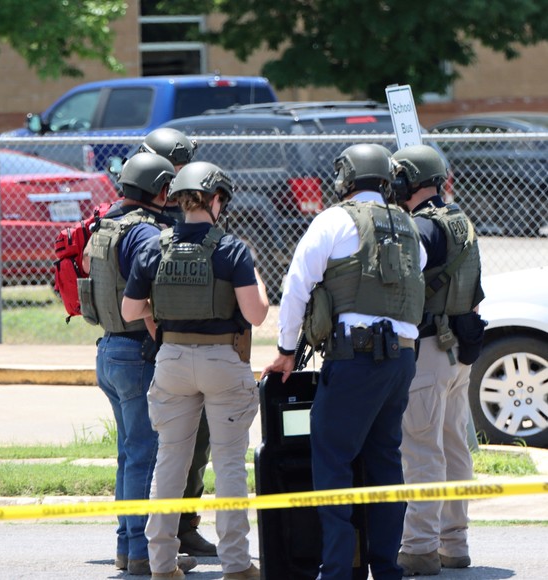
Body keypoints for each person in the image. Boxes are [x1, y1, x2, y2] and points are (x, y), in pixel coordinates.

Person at [264, 143, 426, 580]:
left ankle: (336, 570)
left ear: (346, 179)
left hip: (355, 359)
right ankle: (386, 567)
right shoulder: (409, 226)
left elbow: (298, 284)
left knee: (332, 460)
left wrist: (285, 350)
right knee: (385, 461)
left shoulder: (334, 220)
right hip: (401, 361)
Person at [122, 161, 270, 579]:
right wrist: (255, 274)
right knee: (228, 465)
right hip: (224, 361)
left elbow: (130, 310)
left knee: (169, 462)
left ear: (180, 200)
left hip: (170, 361)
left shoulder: (155, 246)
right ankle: (238, 566)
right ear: (216, 199)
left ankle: (162, 565)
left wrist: (161, 320)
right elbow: (256, 315)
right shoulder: (233, 249)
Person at [84, 152, 197, 577]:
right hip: (137, 354)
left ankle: (127, 547)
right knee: (144, 456)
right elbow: (145, 301)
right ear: (163, 189)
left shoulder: (105, 226)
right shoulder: (146, 235)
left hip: (109, 350)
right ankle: (143, 554)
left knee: (129, 454)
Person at [391, 145, 485, 576]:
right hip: (457, 352)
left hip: (428, 348)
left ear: (410, 181)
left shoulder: (421, 229)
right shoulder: (460, 221)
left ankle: (419, 547)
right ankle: (454, 542)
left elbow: (405, 287)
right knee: (453, 448)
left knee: (422, 451)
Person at [138, 127, 218, 558]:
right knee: (165, 448)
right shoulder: (151, 222)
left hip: (178, 346)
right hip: (159, 346)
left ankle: (182, 527)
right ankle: (147, 541)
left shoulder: (181, 214)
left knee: (196, 443)